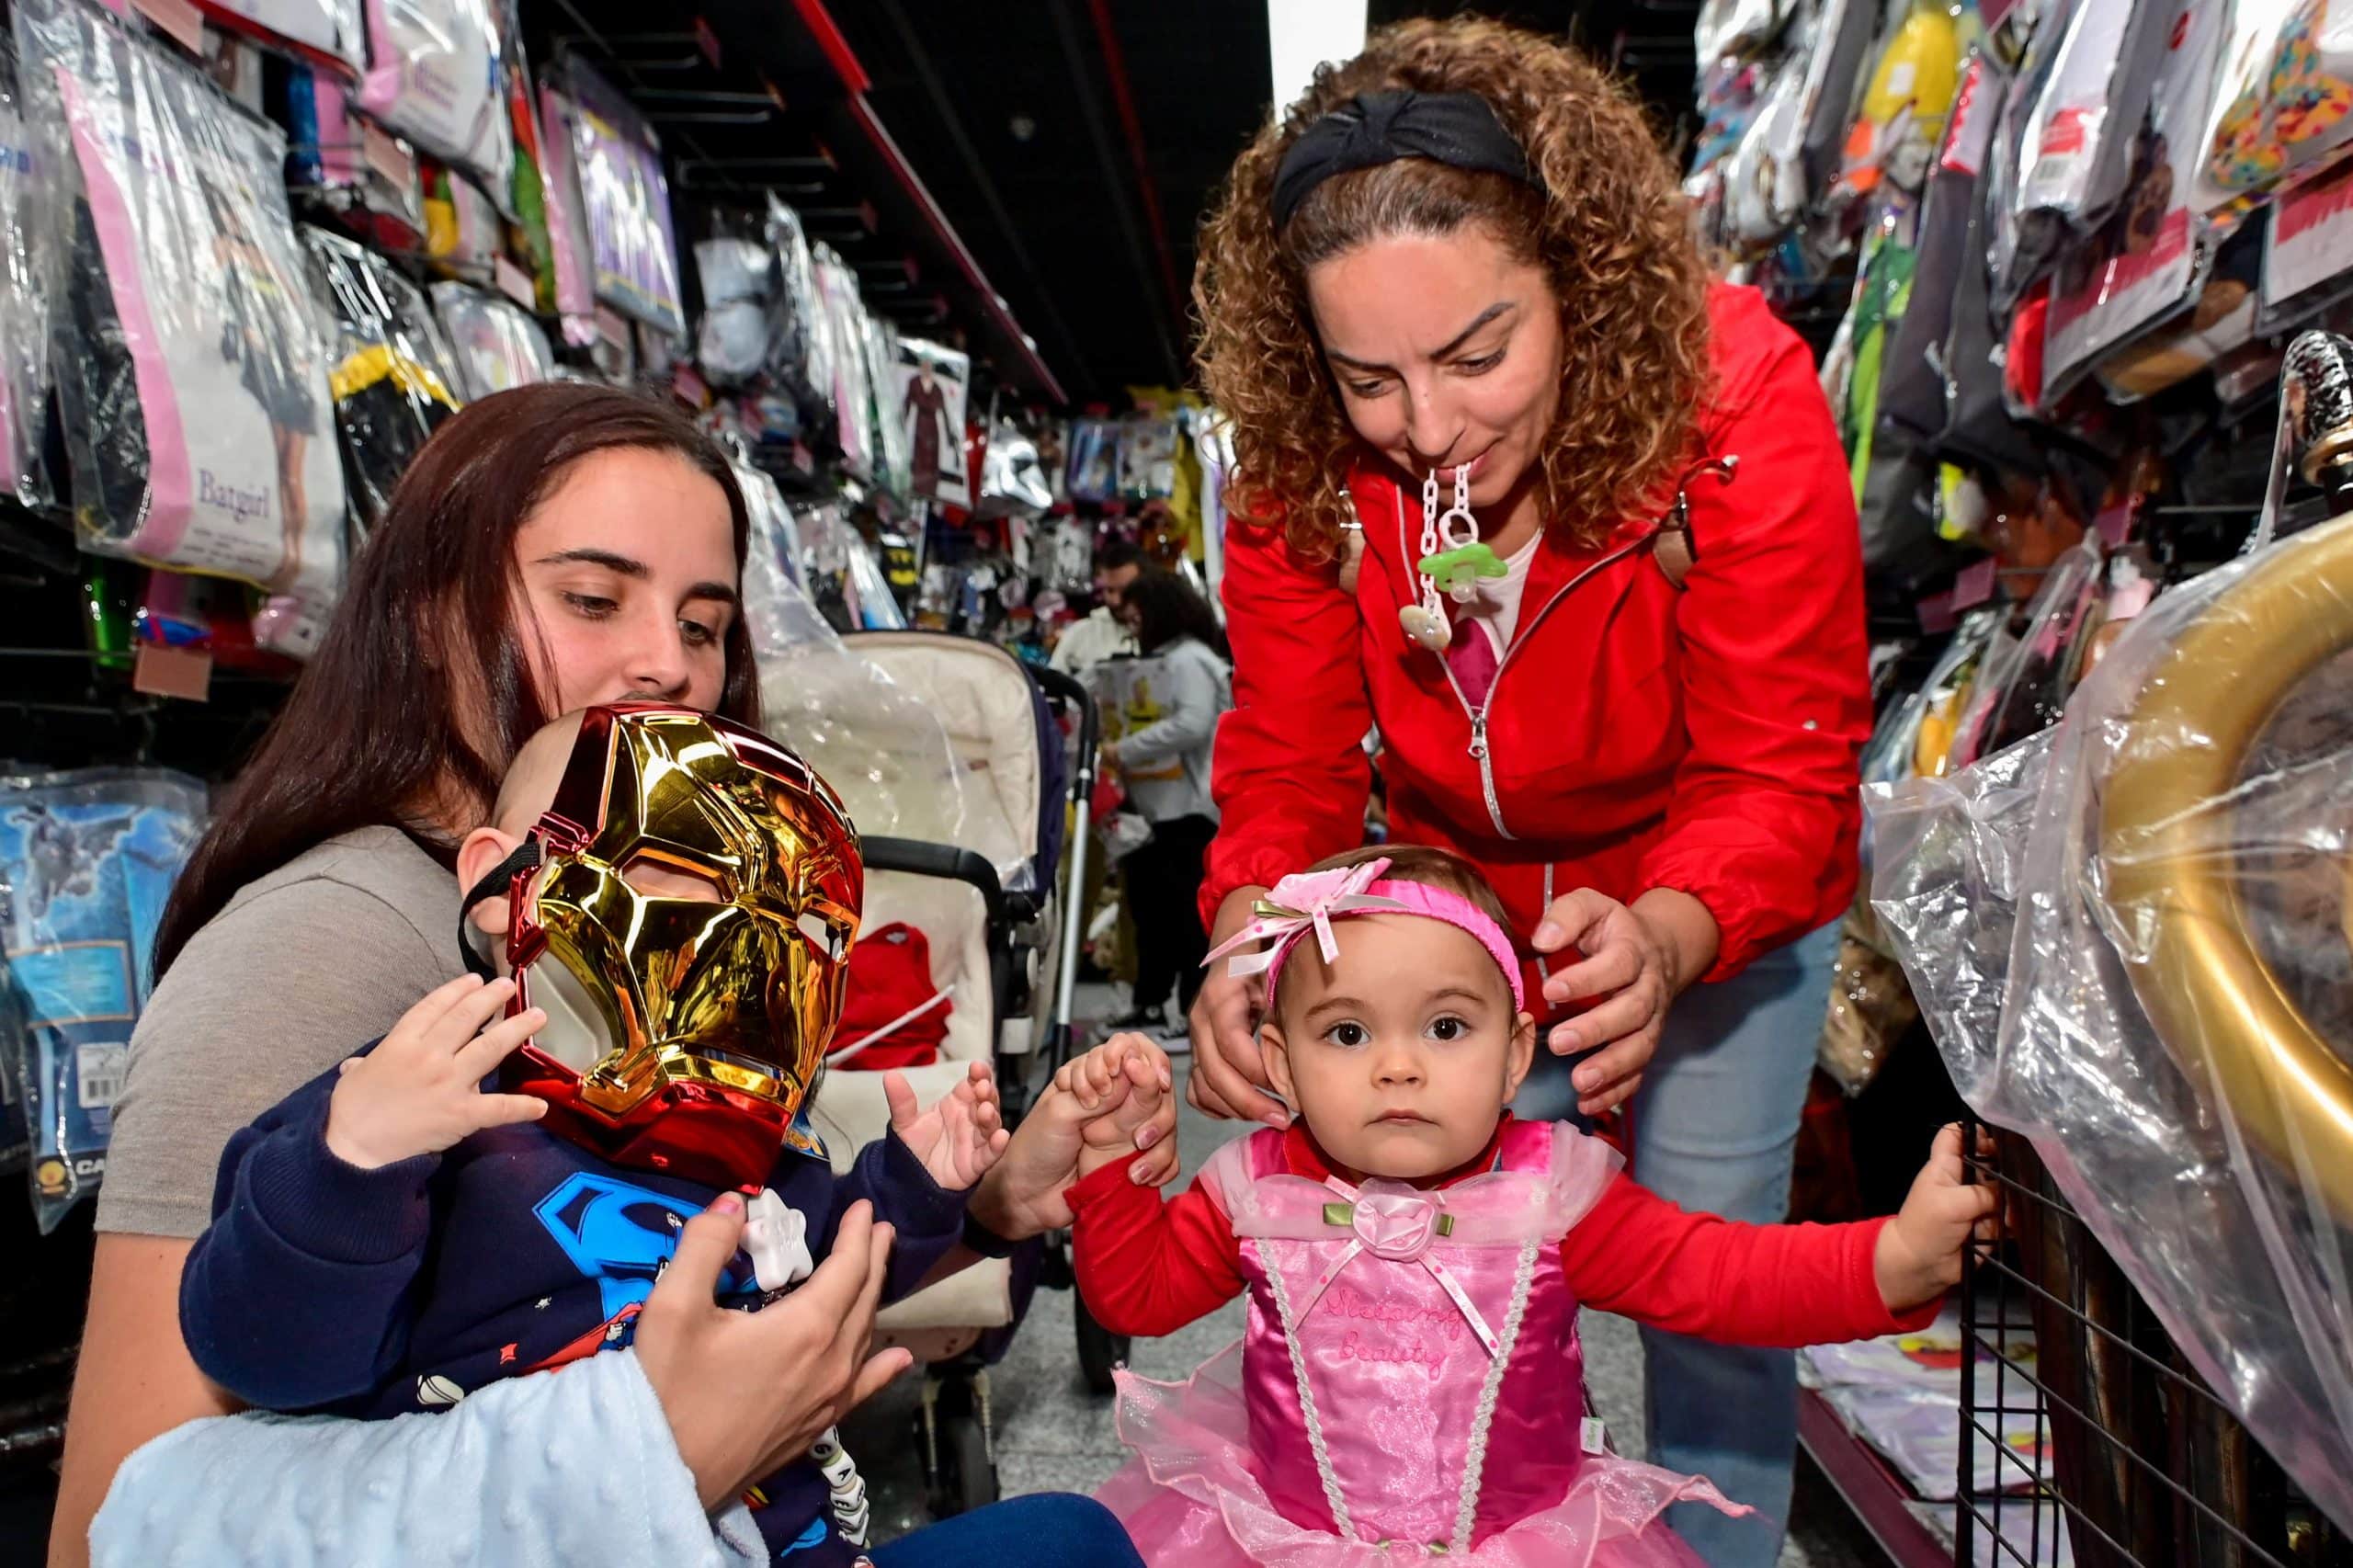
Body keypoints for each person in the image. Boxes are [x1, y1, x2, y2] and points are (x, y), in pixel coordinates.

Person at [51, 383, 1161, 1568]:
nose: (665, 664)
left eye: (703, 623)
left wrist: (976, 1200)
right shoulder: (333, 941)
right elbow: (121, 1524)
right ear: (432, 614)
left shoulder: (669, 939)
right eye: (592, 598)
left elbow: (705, 1258)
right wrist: (641, 1451)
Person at [1185, 19, 1869, 1560]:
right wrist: (1246, 928)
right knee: (1426, 1263)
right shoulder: (1301, 468)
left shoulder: (1735, 399)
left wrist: (1676, 934)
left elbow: (1782, 756)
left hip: (1721, 899)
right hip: (1464, 911)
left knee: (1705, 1283)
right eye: (1371, 378)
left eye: (1480, 354)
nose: (1432, 431)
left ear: (1588, 281)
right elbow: (1289, 761)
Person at [174, 706, 1134, 1567]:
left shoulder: (751, 1150)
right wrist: (352, 1167)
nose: (739, 939)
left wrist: (920, 1188)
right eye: (683, 871)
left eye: (788, 916)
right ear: (504, 882)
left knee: (1075, 1535)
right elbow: (260, 1354)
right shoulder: (423, 1116)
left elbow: (827, 1271)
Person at [1054, 848, 1992, 1564]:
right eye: (1346, 1031)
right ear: (1277, 1060)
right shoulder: (1256, 1189)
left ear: (1513, 1056)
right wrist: (1109, 1167)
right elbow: (1135, 1298)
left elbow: (1726, 1274)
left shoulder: (1555, 1196)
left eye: (1447, 1026)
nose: (1398, 1063)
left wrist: (1893, 1259)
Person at [1104, 570, 1232, 1038]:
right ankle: (1152, 1003)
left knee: (1184, 914)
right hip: (1156, 807)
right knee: (1150, 911)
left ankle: (1191, 1009)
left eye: (1139, 618)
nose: (1134, 629)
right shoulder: (1168, 660)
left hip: (1189, 807)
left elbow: (1193, 724)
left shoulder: (1190, 661)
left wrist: (1127, 748)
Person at [1049, 537, 1142, 677]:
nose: (1116, 600)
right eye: (1110, 590)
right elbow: (1053, 690)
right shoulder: (1079, 634)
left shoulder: (1163, 634)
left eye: (1125, 591)